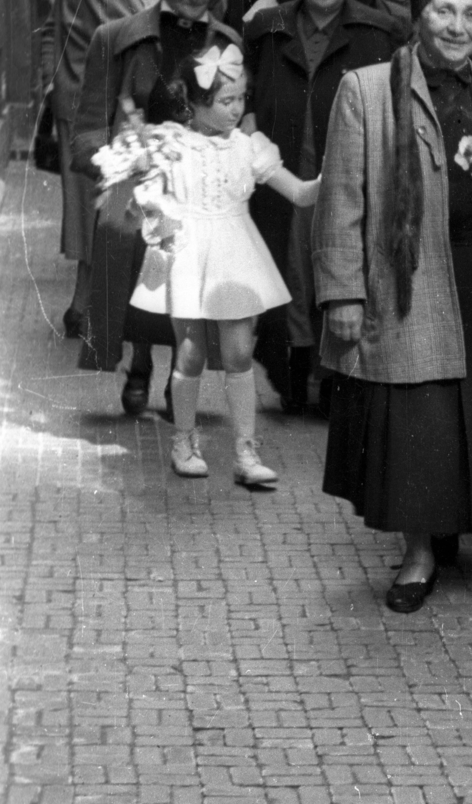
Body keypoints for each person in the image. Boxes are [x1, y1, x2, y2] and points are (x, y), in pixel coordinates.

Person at [313, 0, 472, 613]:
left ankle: (451, 524)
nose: (458, 26)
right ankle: (417, 553)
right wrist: (342, 293)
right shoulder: (369, 89)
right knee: (417, 417)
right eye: (443, 11)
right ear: (419, 15)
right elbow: (342, 199)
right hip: (408, 276)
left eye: (469, 12)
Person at [107, 45, 321, 486]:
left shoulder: (249, 146)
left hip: (235, 250)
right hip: (185, 249)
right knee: (191, 353)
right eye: (227, 101)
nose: (236, 109)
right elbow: (143, 209)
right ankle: (184, 441)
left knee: (240, 352)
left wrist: (335, 174)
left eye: (242, 99)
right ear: (195, 102)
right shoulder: (170, 147)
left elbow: (299, 193)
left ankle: (246, 452)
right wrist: (147, 197)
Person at [72, 0, 242, 413]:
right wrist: (116, 161)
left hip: (200, 176)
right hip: (139, 175)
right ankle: (139, 358)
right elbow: (87, 129)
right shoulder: (118, 38)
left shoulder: (226, 44)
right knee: (129, 240)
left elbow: (236, 119)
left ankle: (177, 370)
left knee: (192, 264)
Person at [244, 0, 405, 412]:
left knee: (342, 267)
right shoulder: (267, 26)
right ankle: (291, 373)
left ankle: (336, 378)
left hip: (349, 169)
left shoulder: (381, 31)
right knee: (287, 272)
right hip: (284, 171)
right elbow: (249, 95)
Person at [51, 0, 148, 336]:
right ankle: (89, 311)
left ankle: (81, 307)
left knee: (95, 209)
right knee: (99, 211)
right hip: (90, 110)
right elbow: (139, 27)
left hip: (84, 103)